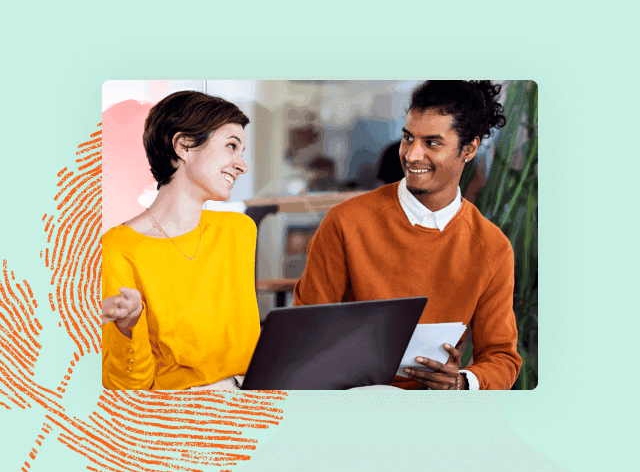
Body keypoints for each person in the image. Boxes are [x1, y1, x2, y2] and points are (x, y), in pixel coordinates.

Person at [294, 80, 522, 390]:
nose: (412, 155)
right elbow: (304, 335)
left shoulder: (491, 246)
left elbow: (500, 357)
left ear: (468, 149)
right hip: (350, 403)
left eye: (432, 142)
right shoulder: (346, 222)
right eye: (407, 138)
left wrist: (461, 382)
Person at [101, 91, 260, 390]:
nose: (242, 165)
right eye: (231, 146)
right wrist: (128, 329)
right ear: (184, 145)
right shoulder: (118, 249)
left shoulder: (239, 231)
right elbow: (125, 390)